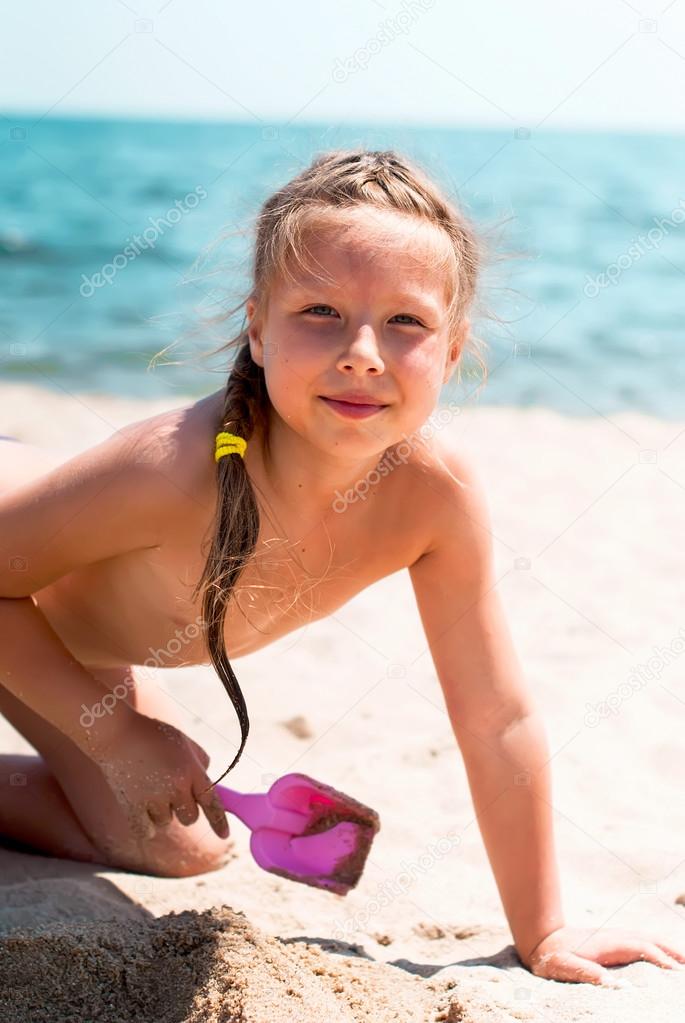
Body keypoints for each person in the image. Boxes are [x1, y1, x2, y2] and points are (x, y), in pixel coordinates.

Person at [0, 148, 683, 984]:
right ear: (256, 327)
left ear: (454, 347)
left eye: (406, 322)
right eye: (320, 310)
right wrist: (110, 729)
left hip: (36, 624)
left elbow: (497, 717)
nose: (362, 351)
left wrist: (543, 930)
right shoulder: (171, 471)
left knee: (179, 843)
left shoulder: (432, 498)